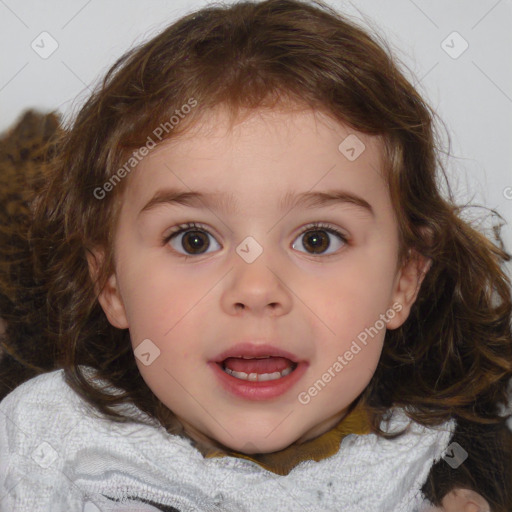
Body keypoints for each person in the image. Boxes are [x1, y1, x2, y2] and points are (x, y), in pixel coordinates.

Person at [0, 0, 511, 510]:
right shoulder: (45, 451)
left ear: (403, 283)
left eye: (317, 239)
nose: (256, 290)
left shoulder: (446, 468)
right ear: (111, 283)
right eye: (193, 240)